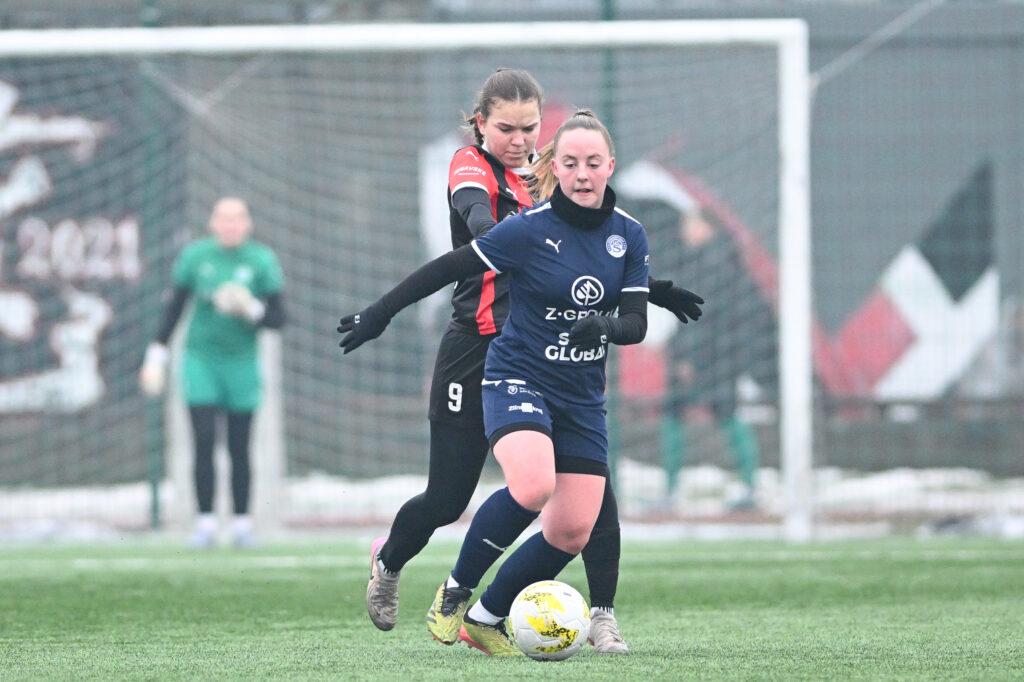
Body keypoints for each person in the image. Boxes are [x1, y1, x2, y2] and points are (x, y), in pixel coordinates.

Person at [360, 70, 702, 654]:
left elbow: (583, 255)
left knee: (590, 498)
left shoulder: (550, 176)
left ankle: (598, 615)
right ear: (480, 125)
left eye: (529, 129)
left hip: (552, 354)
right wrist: (498, 239)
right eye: (506, 129)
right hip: (479, 347)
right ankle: (391, 562)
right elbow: (480, 224)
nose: (518, 140)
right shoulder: (472, 166)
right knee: (449, 497)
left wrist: (647, 289)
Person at [139, 197, 285, 548]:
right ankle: (204, 522)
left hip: (242, 362)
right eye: (223, 218)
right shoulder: (196, 257)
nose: (230, 225)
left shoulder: (261, 260)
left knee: (239, 443)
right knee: (203, 439)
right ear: (213, 223)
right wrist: (156, 352)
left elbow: (278, 319)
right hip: (201, 359)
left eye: (237, 218)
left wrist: (250, 308)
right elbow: (175, 306)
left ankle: (241, 523)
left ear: (247, 224)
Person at [660, 206, 773, 510]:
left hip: (706, 356)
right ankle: (748, 488)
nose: (684, 230)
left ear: (707, 228)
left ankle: (671, 493)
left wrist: (686, 356)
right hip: (723, 354)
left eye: (691, 223)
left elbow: (699, 315)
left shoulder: (709, 264)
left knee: (679, 415)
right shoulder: (724, 258)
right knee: (721, 414)